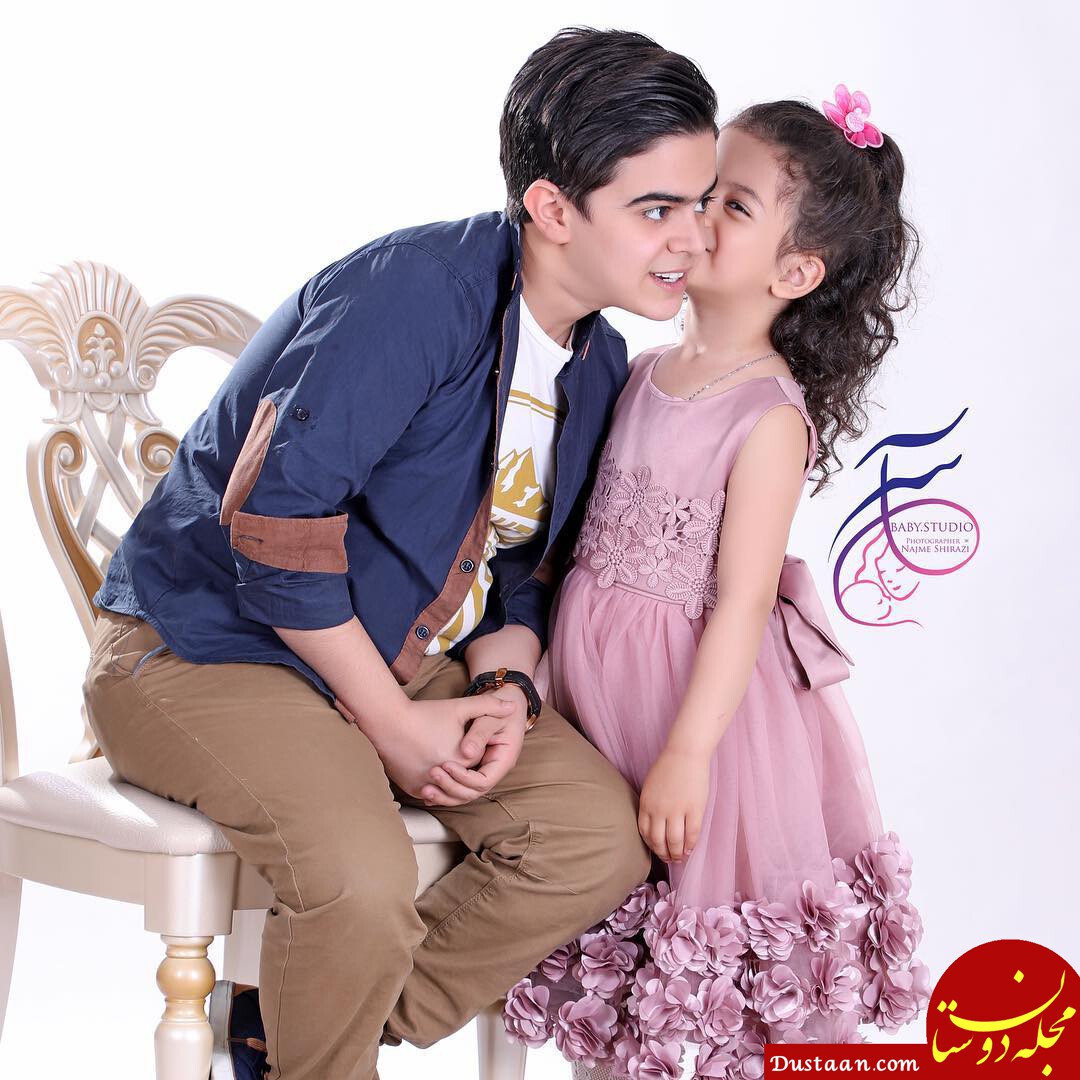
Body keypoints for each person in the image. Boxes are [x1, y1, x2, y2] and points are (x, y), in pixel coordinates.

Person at [80, 27, 721, 1080]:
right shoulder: (415, 293)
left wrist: (507, 690)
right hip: (203, 647)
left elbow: (522, 569)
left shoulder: (600, 361)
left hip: (399, 648)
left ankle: (290, 1032)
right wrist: (392, 724)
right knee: (361, 880)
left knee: (593, 839)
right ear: (553, 208)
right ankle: (318, 1045)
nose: (692, 239)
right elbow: (276, 528)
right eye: (657, 209)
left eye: (703, 202)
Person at [501, 88, 929, 1079]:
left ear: (796, 271)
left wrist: (690, 753)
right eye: (698, 193)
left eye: (731, 205)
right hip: (595, 689)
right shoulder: (639, 368)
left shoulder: (766, 414)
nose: (695, 218)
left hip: (695, 713)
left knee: (701, 957)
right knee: (604, 949)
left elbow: (742, 601)